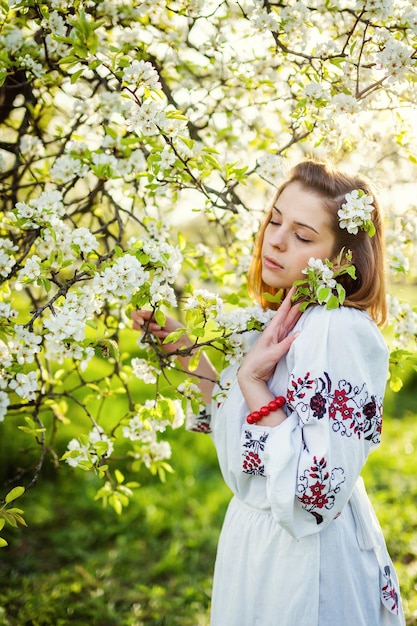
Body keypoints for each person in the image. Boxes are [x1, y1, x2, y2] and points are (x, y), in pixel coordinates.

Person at [131, 159, 405, 626]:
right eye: (275, 220)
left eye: (302, 235)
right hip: (255, 539)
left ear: (342, 259)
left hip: (306, 554)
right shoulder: (281, 319)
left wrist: (253, 382)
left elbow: (316, 493)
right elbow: (243, 432)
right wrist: (186, 349)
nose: (275, 240)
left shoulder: (336, 330)